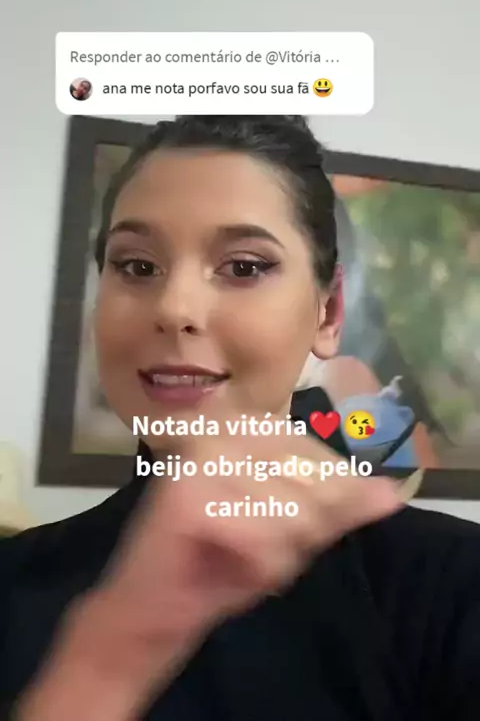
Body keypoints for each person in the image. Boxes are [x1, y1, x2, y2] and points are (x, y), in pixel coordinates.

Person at [2, 115, 479, 721]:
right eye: (137, 266)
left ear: (329, 313)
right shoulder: (12, 583)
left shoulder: (452, 586)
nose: (175, 308)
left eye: (245, 267)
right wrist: (107, 661)